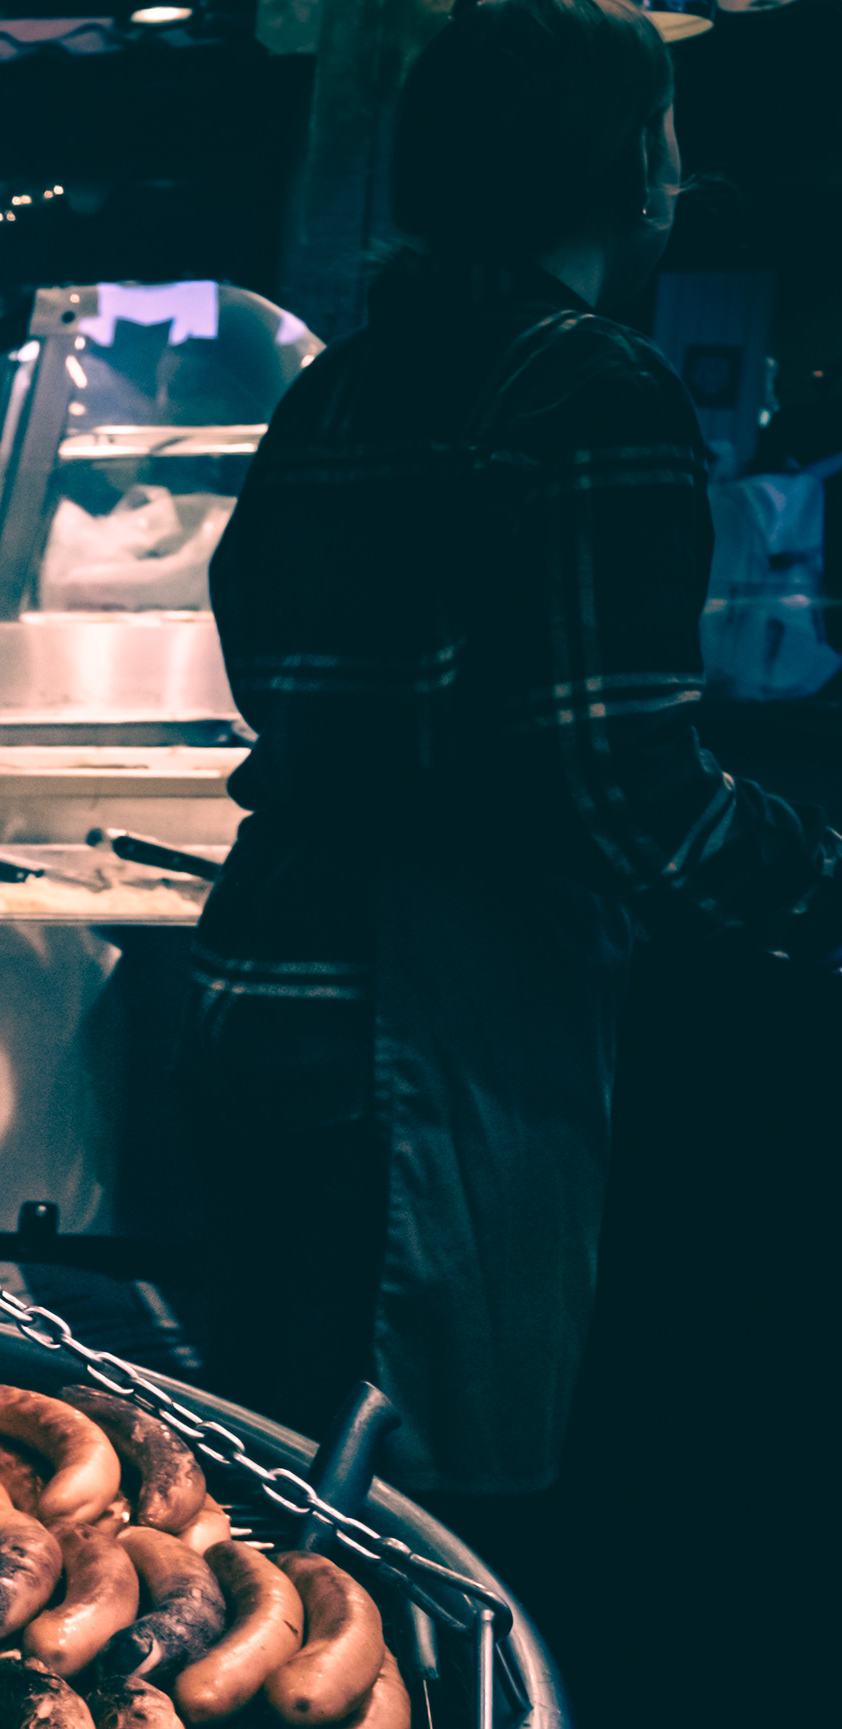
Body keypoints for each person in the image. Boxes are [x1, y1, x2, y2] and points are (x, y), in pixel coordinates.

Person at [194, 0, 840, 1498]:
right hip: (419, 1033)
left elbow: (260, 664)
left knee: (279, 1480)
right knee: (419, 1499)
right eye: (663, 135)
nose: (682, 171)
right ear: (612, 166)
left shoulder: (335, 382)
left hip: (257, 987)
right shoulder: (597, 385)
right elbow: (623, 790)